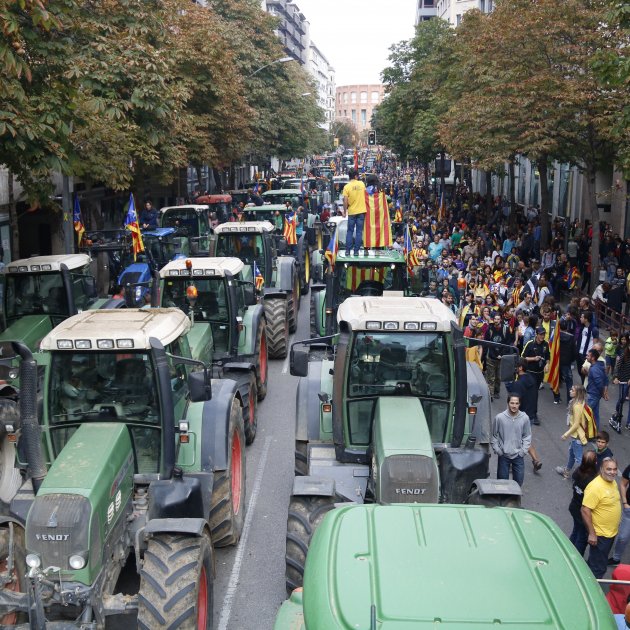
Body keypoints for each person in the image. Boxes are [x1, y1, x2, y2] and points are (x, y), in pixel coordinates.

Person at [581, 457, 622, 578]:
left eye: (614, 469)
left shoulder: (612, 482)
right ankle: (592, 592)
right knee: (598, 567)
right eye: (608, 469)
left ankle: (587, 579)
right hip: (601, 535)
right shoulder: (595, 487)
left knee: (597, 561)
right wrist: (592, 534)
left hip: (610, 533)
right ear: (601, 469)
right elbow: (584, 510)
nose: (612, 472)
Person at [506, 359, 542, 471]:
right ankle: (536, 460)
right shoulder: (531, 378)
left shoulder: (518, 384)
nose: (514, 369)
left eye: (516, 366)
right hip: (530, 415)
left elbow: (514, 403)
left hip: (520, 417)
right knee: (525, 439)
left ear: (520, 368)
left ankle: (514, 464)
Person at [491, 393, 532, 487]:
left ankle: (514, 501)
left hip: (518, 456)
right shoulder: (499, 418)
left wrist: (523, 451)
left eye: (516, 403)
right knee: (501, 484)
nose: (514, 406)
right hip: (504, 456)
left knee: (518, 483)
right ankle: (503, 501)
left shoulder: (524, 418)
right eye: (512, 403)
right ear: (508, 403)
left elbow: (527, 436)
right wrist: (498, 450)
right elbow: (493, 436)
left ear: (519, 404)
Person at [568, 450, 598, 556]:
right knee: (582, 537)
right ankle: (576, 559)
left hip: (574, 506)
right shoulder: (593, 480)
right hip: (582, 512)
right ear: (595, 463)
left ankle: (568, 551)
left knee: (576, 531)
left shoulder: (578, 472)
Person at [556, 384, 588, 479]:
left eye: (573, 390)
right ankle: (566, 470)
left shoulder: (577, 405)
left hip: (577, 436)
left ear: (578, 393)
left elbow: (576, 424)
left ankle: (583, 478)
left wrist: (566, 435)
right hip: (576, 435)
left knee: (579, 459)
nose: (570, 391)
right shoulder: (579, 402)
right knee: (572, 454)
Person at [521, 326, 550, 425]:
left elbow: (547, 357)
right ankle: (533, 414)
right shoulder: (530, 344)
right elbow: (523, 358)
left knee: (533, 393)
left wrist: (547, 364)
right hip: (530, 373)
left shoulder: (546, 344)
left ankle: (528, 411)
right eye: (541, 334)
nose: (542, 336)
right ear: (536, 334)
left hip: (539, 374)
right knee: (533, 393)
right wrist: (534, 359)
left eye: (544, 334)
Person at [608, 460, 630, 566]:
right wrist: (625, 502)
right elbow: (622, 483)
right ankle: (616, 558)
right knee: (623, 537)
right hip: (629, 510)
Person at [342, 168, 367, 256]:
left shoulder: (346, 187)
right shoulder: (362, 184)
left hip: (352, 212)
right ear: (356, 176)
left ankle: (347, 251)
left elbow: (345, 201)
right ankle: (356, 251)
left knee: (350, 231)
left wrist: (345, 212)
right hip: (361, 211)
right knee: (359, 232)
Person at [554, 319, 578, 405]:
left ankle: (556, 398)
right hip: (566, 362)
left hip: (557, 361)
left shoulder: (556, 336)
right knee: (569, 381)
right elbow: (574, 352)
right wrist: (571, 360)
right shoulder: (571, 337)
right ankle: (569, 400)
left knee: (556, 380)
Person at [586, 348, 609, 428]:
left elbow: (599, 383)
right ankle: (596, 433)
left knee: (585, 413)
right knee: (595, 415)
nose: (586, 357)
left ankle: (585, 434)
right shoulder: (600, 365)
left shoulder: (594, 369)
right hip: (596, 395)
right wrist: (604, 392)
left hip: (593, 395)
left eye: (588, 356)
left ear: (593, 358)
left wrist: (603, 393)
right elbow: (606, 379)